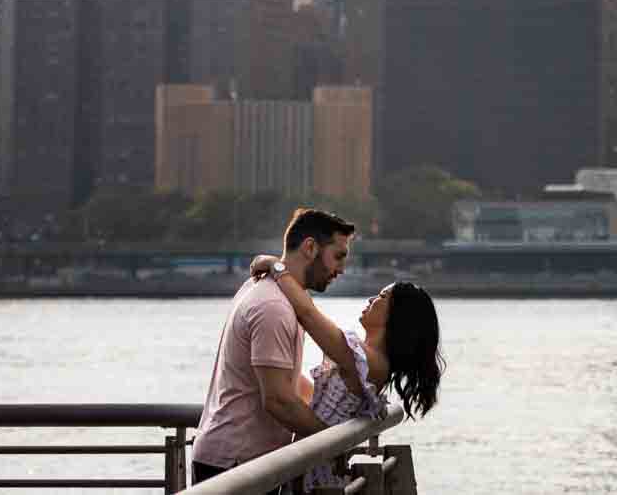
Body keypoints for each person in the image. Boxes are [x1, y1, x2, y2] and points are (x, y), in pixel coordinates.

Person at [190, 208, 356, 487]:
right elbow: (278, 400)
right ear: (310, 247)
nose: (341, 269)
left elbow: (284, 380)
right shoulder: (274, 307)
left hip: (240, 460)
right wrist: (333, 440)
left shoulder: (273, 292)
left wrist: (330, 405)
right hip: (235, 464)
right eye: (338, 256)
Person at [246, 258, 443, 491]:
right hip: (319, 466)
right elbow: (319, 399)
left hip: (318, 476)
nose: (371, 300)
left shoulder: (366, 360)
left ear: (396, 316)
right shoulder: (370, 361)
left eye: (381, 298)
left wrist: (276, 267)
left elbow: (308, 314)